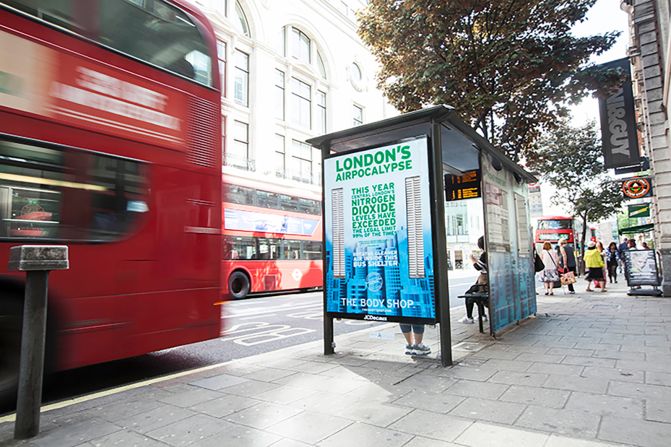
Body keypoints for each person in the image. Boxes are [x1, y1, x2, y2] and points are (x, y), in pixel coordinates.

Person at [460, 236, 488, 324]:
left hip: (485, 283)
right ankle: (482, 315)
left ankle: (469, 317)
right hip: (487, 283)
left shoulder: (485, 254)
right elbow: (483, 265)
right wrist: (477, 260)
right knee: (474, 292)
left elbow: (478, 267)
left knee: (469, 294)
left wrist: (472, 260)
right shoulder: (489, 253)